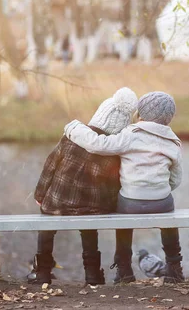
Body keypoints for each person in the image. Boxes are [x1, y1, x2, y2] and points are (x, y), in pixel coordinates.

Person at [64, 91, 184, 284]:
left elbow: (98, 145)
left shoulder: (131, 135)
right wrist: (156, 190)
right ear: (169, 118)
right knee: (169, 219)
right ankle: (175, 269)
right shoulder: (173, 142)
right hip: (161, 202)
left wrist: (74, 129)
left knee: (123, 223)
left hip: (130, 201)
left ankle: (124, 270)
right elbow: (176, 180)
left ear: (141, 114)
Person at [30, 87, 138, 285]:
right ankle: (92, 274)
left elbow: (50, 166)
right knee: (89, 228)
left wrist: (40, 194)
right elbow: (115, 186)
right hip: (92, 207)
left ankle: (42, 272)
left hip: (58, 200)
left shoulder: (71, 138)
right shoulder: (112, 151)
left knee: (46, 226)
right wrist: (110, 205)